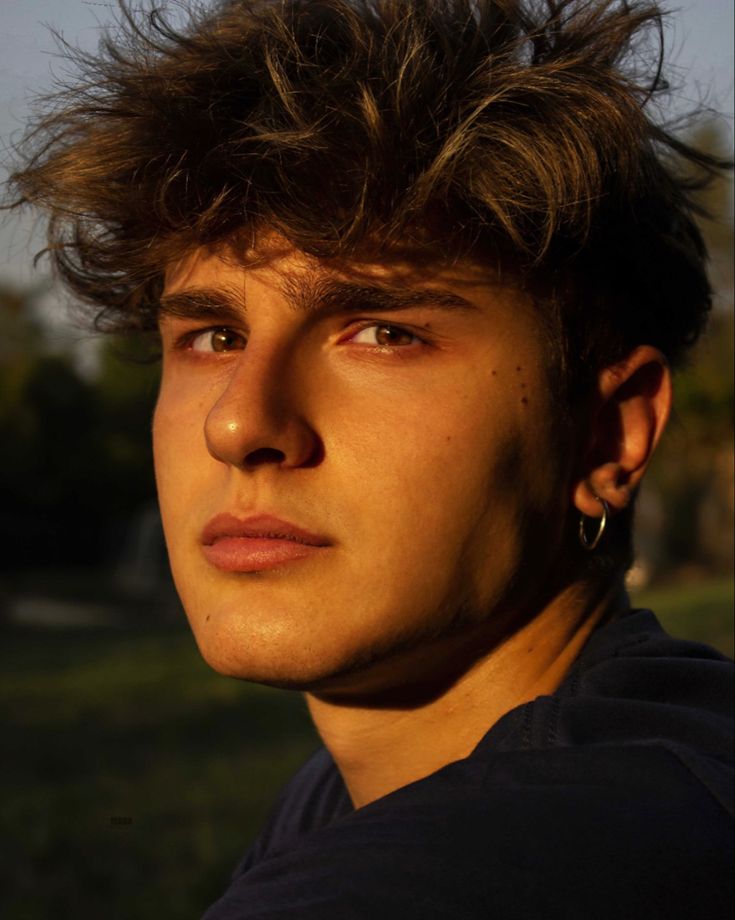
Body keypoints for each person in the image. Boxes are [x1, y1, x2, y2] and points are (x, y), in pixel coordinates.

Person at [8, 0, 733, 916]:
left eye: (382, 332)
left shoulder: (530, 859)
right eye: (214, 336)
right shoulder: (388, 779)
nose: (237, 426)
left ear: (606, 434)